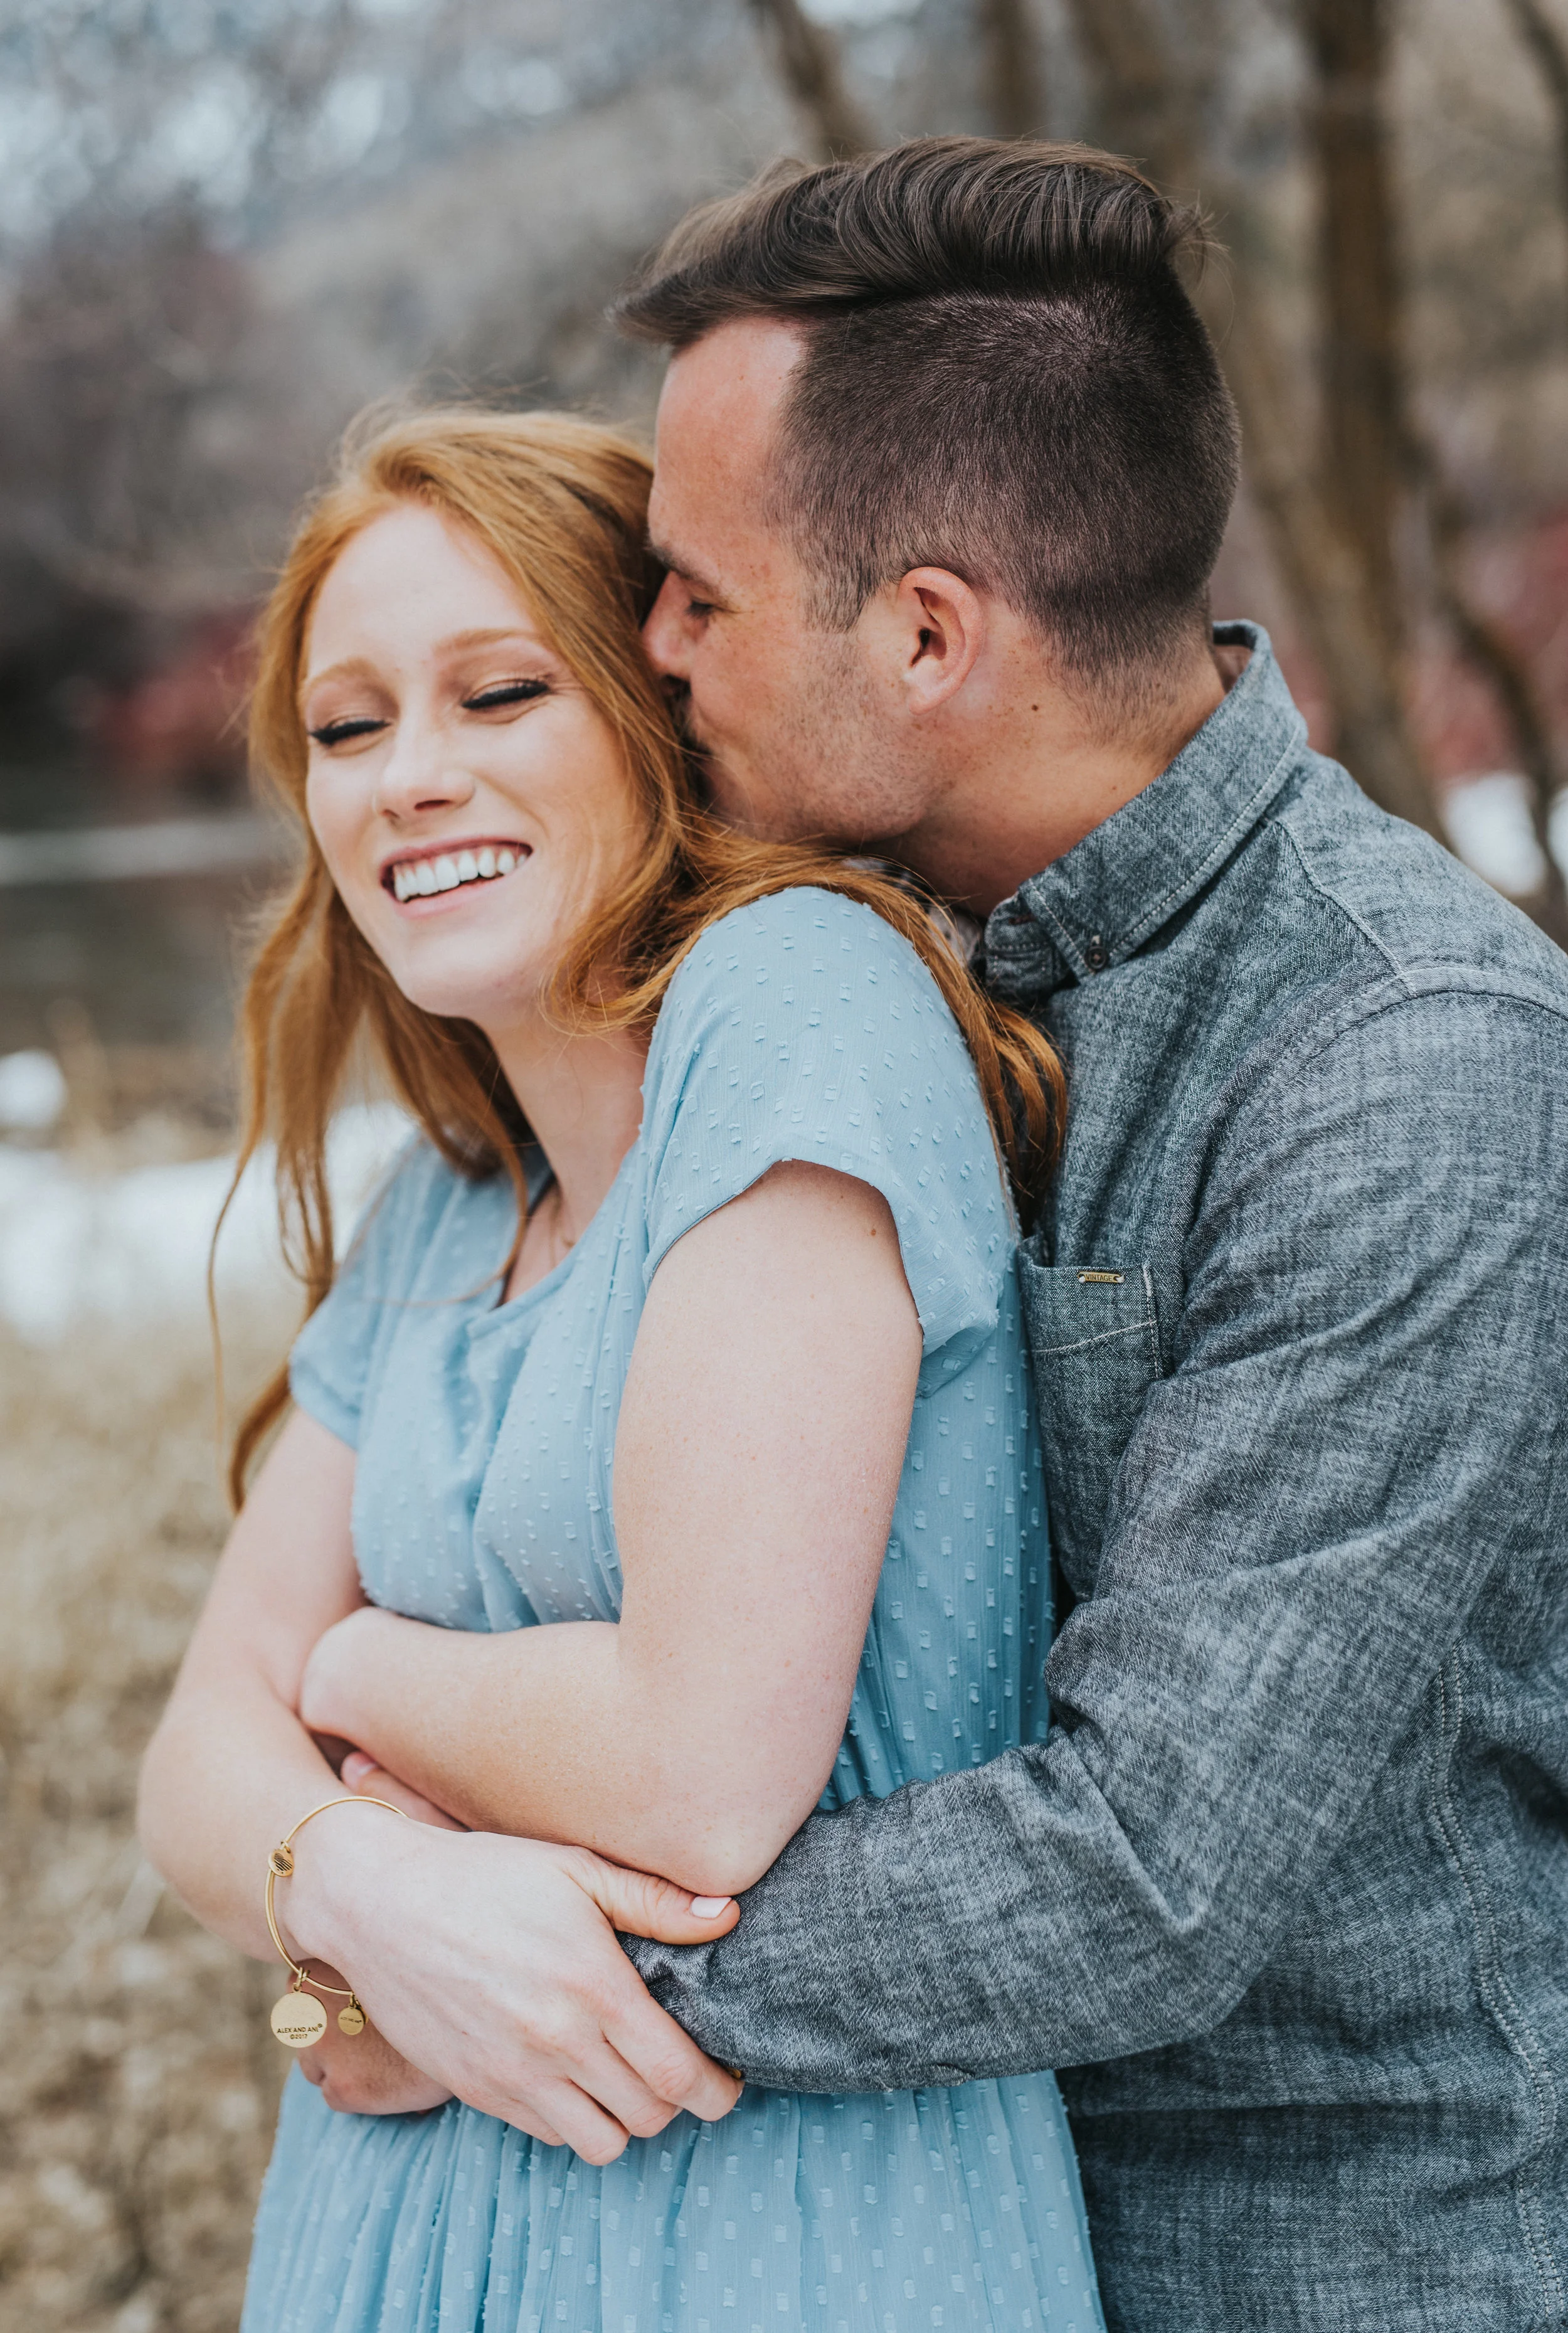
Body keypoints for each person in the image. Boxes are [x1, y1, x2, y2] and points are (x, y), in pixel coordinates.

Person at [226, 140, 1568, 2329]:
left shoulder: (1399, 1063)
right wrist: (362, 1888)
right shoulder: (849, 966)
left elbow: (1145, 1866)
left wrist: (481, 1952)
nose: (653, 649)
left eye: (699, 595)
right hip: (924, 2204)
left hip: (1320, 2254)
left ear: (927, 634)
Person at [137, 406, 1106, 2330]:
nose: (411, 776)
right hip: (390, 2234)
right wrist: (362, 1897)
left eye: (499, 693)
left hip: (778, 2230)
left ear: (657, 708)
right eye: (347, 727)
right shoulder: (446, 1204)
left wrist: (347, 1672)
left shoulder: (798, 999)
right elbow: (187, 1763)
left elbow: (695, 1770)